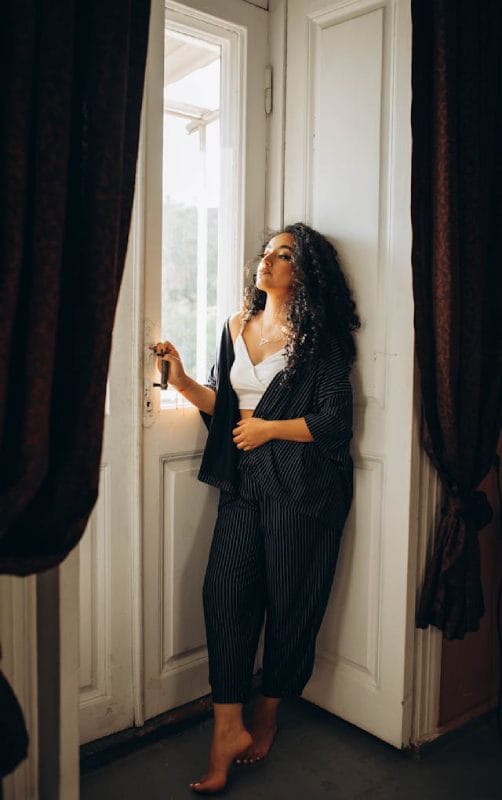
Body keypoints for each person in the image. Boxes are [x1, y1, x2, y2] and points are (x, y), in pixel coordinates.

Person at [152, 222, 360, 795]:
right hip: (245, 485)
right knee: (224, 594)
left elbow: (335, 422)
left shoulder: (321, 338)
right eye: (266, 253)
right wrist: (183, 380)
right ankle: (227, 731)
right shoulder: (235, 326)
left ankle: (266, 710)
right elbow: (226, 410)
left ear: (306, 272)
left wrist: (268, 427)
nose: (267, 262)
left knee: (293, 602)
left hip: (305, 491)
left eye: (284, 255)